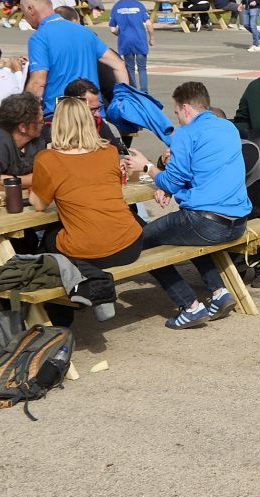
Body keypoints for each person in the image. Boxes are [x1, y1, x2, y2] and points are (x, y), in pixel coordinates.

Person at [26, 96, 194, 328]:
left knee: (49, 243)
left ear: (57, 124)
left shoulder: (48, 158)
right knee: (132, 223)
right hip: (129, 246)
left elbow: (38, 204)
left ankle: (60, 321)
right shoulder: (107, 152)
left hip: (88, 251)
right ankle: (189, 300)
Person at [140, 81, 254, 329]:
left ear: (186, 108)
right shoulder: (228, 128)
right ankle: (218, 292)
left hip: (206, 222)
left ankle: (189, 305)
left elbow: (172, 179)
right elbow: (201, 173)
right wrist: (171, 186)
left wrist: (148, 167)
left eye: (177, 112)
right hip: (237, 223)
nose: (178, 118)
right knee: (184, 232)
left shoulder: (185, 133)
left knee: (142, 242)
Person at [22, 0, 126, 115]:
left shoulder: (39, 37)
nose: (25, 19)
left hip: (62, 114)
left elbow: (38, 82)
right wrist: (123, 101)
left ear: (30, 9)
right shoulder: (85, 31)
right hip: (92, 112)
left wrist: (25, 113)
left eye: (24, 14)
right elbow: (118, 65)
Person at [108, 0, 151, 93]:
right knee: (142, 68)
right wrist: (152, 37)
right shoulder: (139, 5)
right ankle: (144, 91)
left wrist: (120, 34)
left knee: (130, 68)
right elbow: (149, 24)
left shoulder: (116, 7)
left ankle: (133, 90)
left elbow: (112, 29)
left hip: (125, 40)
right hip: (140, 39)